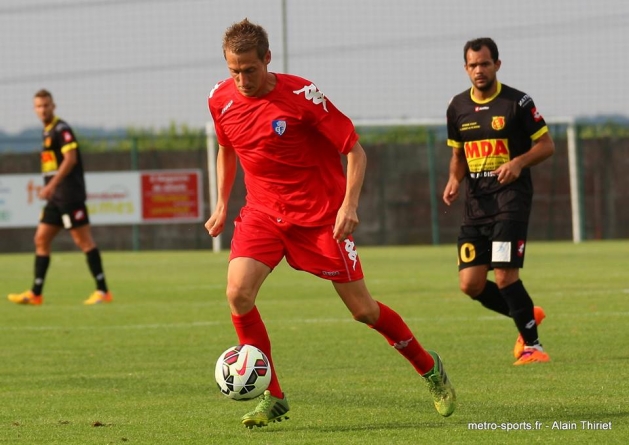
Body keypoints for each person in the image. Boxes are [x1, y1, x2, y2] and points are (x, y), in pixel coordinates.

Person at [206, 18, 456, 428]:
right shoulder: (220, 98)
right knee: (238, 294)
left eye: (250, 69)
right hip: (263, 214)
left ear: (267, 59)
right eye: (234, 70)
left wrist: (348, 205)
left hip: (321, 219)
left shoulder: (303, 96)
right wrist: (220, 204)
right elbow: (225, 149)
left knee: (363, 311)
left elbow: (355, 151)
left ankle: (429, 369)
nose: (242, 79)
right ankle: (273, 397)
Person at [442, 38, 555, 366]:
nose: (479, 70)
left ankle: (534, 347)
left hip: (510, 202)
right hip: (476, 206)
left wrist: (518, 162)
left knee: (506, 277)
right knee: (471, 284)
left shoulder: (517, 102)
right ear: (466, 68)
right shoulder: (457, 107)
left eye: (485, 63)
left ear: (497, 65)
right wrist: (453, 179)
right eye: (473, 65)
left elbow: (546, 146)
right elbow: (458, 154)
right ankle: (526, 315)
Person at [7, 89, 112, 306]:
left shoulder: (61, 129)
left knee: (83, 241)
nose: (42, 109)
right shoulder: (47, 132)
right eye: (38, 106)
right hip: (55, 199)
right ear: (34, 109)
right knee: (41, 239)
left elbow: (70, 159)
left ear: (53, 106)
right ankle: (36, 293)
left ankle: (102, 291)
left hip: (69, 196)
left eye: (46, 105)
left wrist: (51, 185)